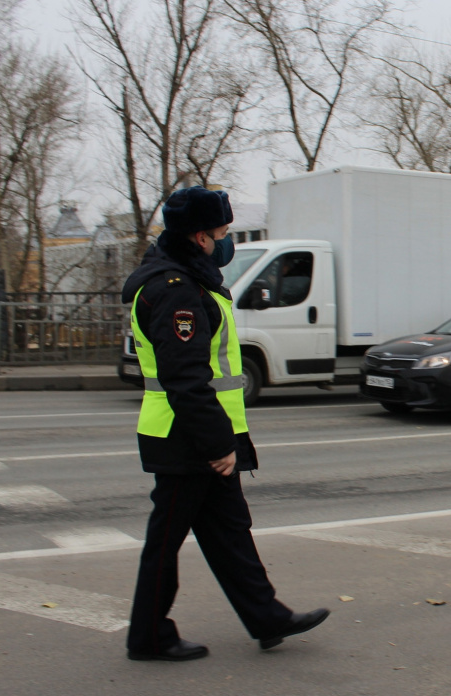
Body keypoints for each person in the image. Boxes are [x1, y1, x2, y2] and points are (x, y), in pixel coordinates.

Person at [121, 186, 328, 662]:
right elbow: (185, 380)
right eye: (221, 233)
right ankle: (150, 637)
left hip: (201, 433)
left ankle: (267, 617)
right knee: (166, 542)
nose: (226, 241)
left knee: (230, 531)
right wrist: (218, 445)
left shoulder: (186, 284)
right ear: (199, 238)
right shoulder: (177, 294)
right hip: (186, 438)